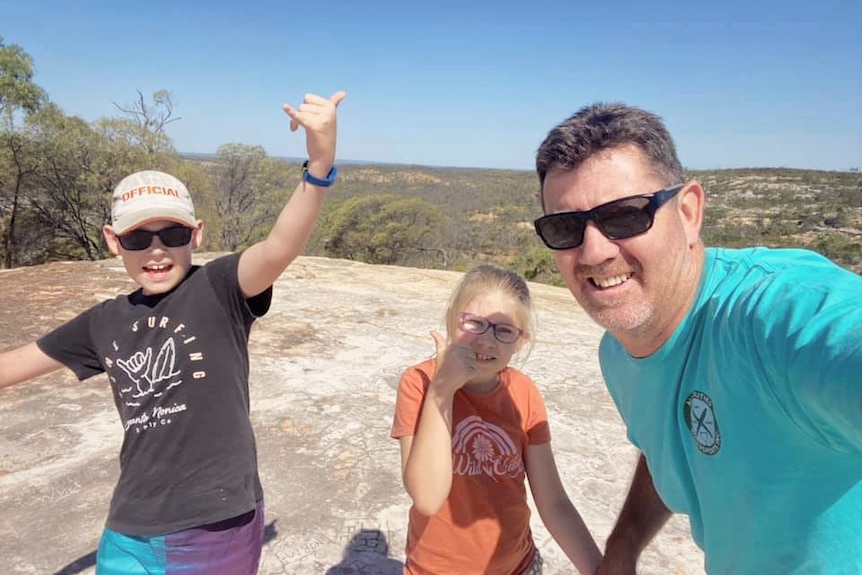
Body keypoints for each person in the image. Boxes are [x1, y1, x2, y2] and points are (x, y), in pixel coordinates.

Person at [0, 90, 346, 574]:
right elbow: (15, 364)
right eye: (138, 238)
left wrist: (320, 162)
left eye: (174, 235)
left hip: (216, 521)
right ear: (113, 241)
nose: (157, 250)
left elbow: (280, 246)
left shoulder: (219, 288)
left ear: (197, 235)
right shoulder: (104, 321)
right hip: (131, 524)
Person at [532, 102, 862, 574]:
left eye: (625, 216)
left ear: (688, 212)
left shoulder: (775, 315)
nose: (595, 251)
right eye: (565, 227)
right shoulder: (621, 352)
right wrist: (625, 543)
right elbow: (665, 439)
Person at [391, 264, 603, 575]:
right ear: (452, 319)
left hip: (518, 566)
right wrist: (443, 390)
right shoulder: (420, 383)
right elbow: (427, 497)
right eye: (475, 323)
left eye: (503, 330)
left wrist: (602, 569)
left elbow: (554, 503)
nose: (487, 341)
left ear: (521, 341)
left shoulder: (524, 392)